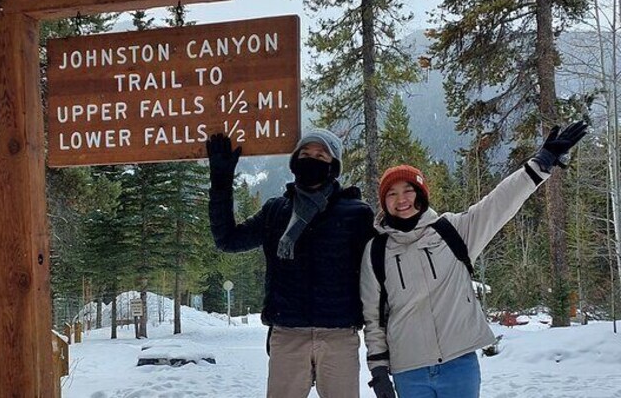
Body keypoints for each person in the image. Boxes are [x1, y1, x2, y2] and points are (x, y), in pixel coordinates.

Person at [360, 121, 588, 398]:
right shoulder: (376, 251)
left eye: (408, 190)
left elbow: (498, 204)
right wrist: (379, 369)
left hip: (459, 365)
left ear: (421, 194)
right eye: (392, 194)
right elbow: (373, 318)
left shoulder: (452, 230)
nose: (402, 199)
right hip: (409, 370)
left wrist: (540, 165)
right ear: (384, 203)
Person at [206, 129, 375, 398]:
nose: (311, 159)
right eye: (305, 154)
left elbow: (378, 273)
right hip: (287, 334)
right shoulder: (277, 211)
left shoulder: (356, 214)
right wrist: (221, 183)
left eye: (321, 155)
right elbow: (228, 239)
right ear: (295, 161)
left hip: (338, 335)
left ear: (334, 166)